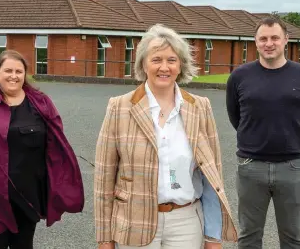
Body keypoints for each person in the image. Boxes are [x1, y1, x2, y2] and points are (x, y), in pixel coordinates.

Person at [94, 24, 238, 249]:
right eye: (156, 59)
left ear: (180, 65)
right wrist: (104, 238)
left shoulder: (200, 107)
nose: (164, 67)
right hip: (134, 221)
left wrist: (213, 236)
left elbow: (212, 175)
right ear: (143, 63)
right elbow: (103, 179)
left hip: (186, 222)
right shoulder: (118, 107)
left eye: (171, 60)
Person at [0, 50, 85, 249]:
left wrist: (59, 179)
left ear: (25, 74)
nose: (13, 76)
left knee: (24, 244)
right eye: (8, 70)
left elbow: (56, 142)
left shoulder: (41, 103)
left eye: (19, 71)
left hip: (28, 190)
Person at [226, 17, 300, 249]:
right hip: (251, 166)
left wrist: (292, 138)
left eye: (274, 38)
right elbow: (236, 117)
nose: (269, 43)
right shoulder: (240, 77)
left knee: (293, 237)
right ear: (256, 42)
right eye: (263, 38)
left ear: (286, 40)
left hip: (293, 167)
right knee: (249, 236)